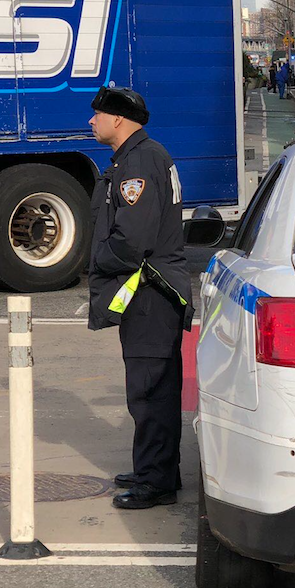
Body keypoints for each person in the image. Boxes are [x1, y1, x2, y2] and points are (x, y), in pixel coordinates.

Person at [87, 87, 193, 509]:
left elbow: (133, 240)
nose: (91, 121)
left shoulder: (140, 161)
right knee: (154, 387)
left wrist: (96, 259)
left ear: (117, 120)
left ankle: (156, 481)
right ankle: (158, 468)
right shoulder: (135, 158)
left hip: (150, 292)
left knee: (150, 391)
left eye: (96, 115)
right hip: (148, 291)